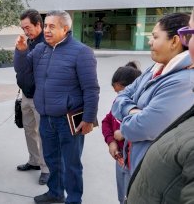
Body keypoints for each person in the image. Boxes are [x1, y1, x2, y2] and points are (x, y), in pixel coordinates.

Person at [15, 10, 100, 204]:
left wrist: (88, 119)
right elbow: (23, 70)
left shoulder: (81, 52)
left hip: (69, 120)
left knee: (71, 164)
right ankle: (55, 192)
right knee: (52, 159)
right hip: (46, 117)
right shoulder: (39, 50)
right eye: (45, 26)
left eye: (52, 26)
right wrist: (21, 51)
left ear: (65, 28)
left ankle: (74, 199)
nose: (46, 30)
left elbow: (91, 89)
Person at [111, 13, 194, 175]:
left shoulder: (183, 82)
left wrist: (126, 117)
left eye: (155, 37)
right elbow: (120, 98)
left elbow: (139, 127)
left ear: (175, 41)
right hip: (133, 162)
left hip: (151, 170)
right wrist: (133, 111)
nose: (149, 41)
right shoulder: (154, 69)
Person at [15, 9, 49, 185]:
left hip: (40, 96)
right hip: (26, 94)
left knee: (43, 133)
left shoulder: (46, 43)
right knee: (29, 129)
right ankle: (34, 161)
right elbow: (19, 67)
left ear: (38, 25)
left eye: (28, 27)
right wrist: (20, 51)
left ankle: (46, 168)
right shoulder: (27, 42)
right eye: (23, 28)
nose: (25, 32)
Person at [101, 62, 141, 204]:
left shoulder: (142, 108)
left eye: (120, 92)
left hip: (134, 164)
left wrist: (125, 132)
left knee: (131, 197)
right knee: (122, 197)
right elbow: (106, 121)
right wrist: (111, 141)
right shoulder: (118, 103)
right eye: (116, 93)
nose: (118, 97)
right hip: (120, 161)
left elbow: (149, 129)